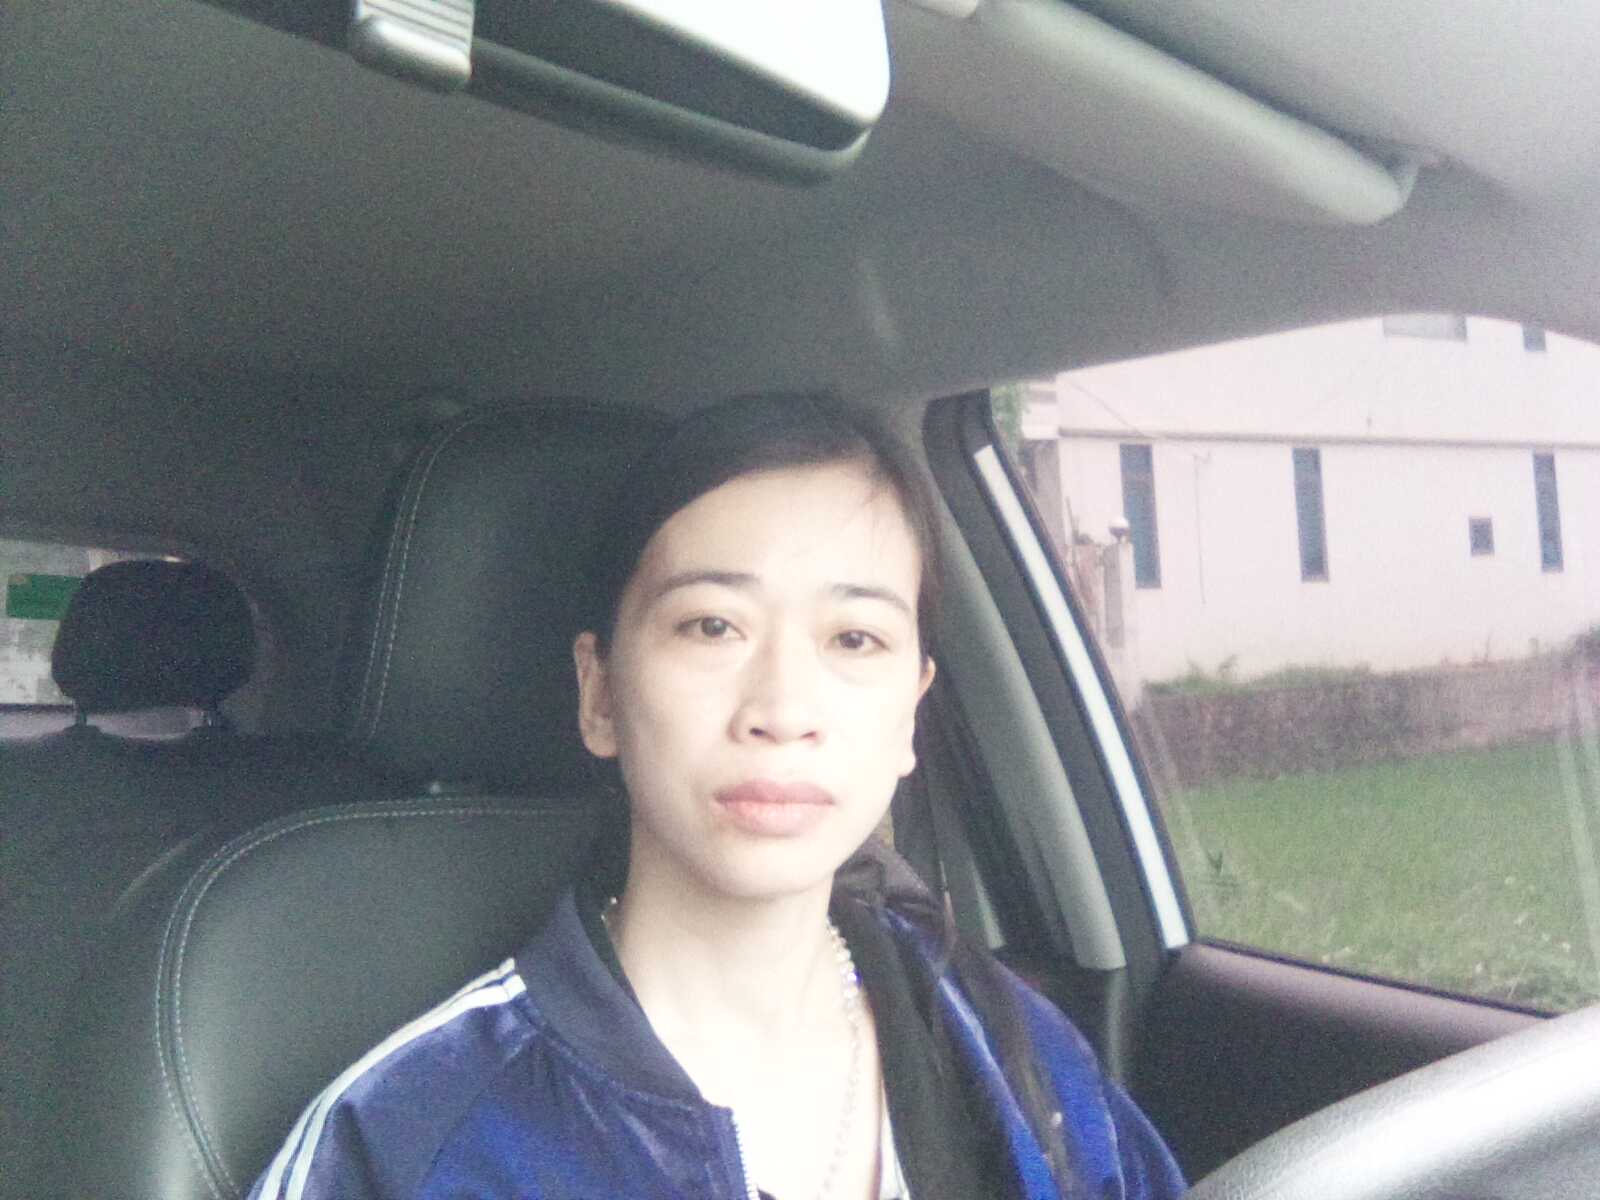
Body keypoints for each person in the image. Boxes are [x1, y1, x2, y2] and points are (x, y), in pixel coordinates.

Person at [247, 396, 1185, 1200]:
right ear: (600, 694)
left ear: (911, 713)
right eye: (710, 626)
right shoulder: (414, 1135)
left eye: (854, 639)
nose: (782, 709)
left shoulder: (1011, 1051)